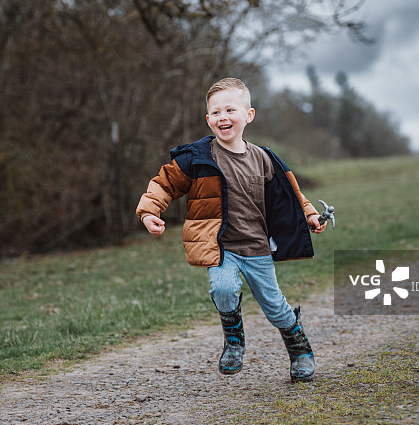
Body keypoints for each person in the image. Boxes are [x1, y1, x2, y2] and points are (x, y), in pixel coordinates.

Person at [135, 77, 326, 381]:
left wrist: (311, 215)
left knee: (275, 306)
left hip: (258, 248)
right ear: (208, 119)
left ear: (249, 115)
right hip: (220, 247)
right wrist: (149, 212)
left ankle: (299, 347)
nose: (222, 117)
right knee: (223, 289)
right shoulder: (198, 158)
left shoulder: (264, 159)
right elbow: (164, 183)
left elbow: (291, 195)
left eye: (230, 110)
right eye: (216, 112)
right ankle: (234, 340)